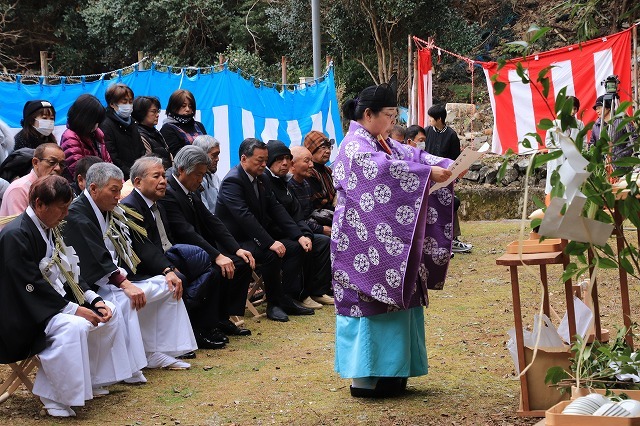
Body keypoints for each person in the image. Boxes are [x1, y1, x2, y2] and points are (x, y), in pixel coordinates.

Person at [333, 78, 454, 398]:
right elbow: (385, 171)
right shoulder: (355, 146)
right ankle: (366, 377)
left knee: (401, 293)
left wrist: (445, 165)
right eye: (390, 115)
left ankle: (395, 372)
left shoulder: (380, 140)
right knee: (368, 302)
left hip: (382, 234)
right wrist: (429, 175)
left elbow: (410, 156)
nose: (393, 122)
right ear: (369, 114)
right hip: (360, 239)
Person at [0, 175, 134, 417]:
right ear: (40, 204)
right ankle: (54, 396)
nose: (66, 214)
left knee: (108, 311)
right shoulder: (16, 235)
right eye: (62, 208)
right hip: (20, 314)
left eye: (68, 207)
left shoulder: (50, 228)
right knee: (75, 326)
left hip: (48, 304)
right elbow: (29, 285)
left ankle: (93, 379)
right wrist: (73, 309)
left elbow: (70, 269)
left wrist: (93, 299)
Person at [63, 162, 197, 374]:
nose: (118, 196)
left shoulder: (113, 210)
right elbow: (96, 255)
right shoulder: (78, 214)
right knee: (128, 299)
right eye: (113, 191)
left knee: (169, 285)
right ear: (94, 189)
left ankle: (156, 350)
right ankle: (133, 363)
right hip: (93, 285)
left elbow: (141, 243)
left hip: (118, 277)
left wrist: (167, 270)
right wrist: (124, 284)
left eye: (119, 190)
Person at [123, 155, 246, 348]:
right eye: (157, 176)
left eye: (164, 175)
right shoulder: (131, 207)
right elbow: (144, 248)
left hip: (168, 256)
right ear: (137, 182)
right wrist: (168, 269)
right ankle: (196, 330)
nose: (163, 181)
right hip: (148, 266)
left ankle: (208, 326)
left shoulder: (157, 203)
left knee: (214, 270)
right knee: (189, 276)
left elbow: (173, 237)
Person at [159, 146, 255, 337]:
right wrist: (217, 256)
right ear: (181, 170)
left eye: (203, 174)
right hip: (181, 253)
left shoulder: (190, 189)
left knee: (241, 263)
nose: (200, 179)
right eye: (197, 174)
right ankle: (205, 326)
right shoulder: (170, 192)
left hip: (199, 249)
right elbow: (186, 232)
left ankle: (223, 316)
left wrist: (236, 249)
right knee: (217, 270)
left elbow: (212, 221)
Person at [216, 138, 314, 322]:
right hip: (235, 241)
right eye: (259, 160)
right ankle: (274, 305)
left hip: (254, 239)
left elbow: (276, 209)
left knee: (295, 247)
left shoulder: (261, 178)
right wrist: (270, 242)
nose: (263, 164)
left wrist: (299, 235)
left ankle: (286, 298)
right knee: (271, 253)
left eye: (265, 160)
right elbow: (245, 218)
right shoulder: (232, 181)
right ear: (244, 159)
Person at [265, 140, 333, 309]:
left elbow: (300, 214)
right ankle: (297, 295)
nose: (311, 165)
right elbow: (281, 216)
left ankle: (317, 290)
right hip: (278, 233)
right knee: (301, 245)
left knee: (319, 241)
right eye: (306, 161)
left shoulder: (302, 184)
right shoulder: (279, 183)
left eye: (286, 159)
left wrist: (306, 233)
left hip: (297, 228)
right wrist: (305, 233)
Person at [424, 104, 471, 253]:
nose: (429, 120)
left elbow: (455, 159)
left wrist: (454, 177)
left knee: (451, 203)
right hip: (429, 175)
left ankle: (453, 238)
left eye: (431, 118)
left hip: (446, 176)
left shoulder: (451, 135)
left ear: (439, 119)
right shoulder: (426, 132)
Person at [0, 143, 65, 219]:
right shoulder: (20, 189)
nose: (58, 168)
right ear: (35, 162)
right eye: (52, 162)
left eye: (62, 164)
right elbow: (21, 227)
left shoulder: (55, 187)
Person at [60, 94, 112, 182]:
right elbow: (79, 172)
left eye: (98, 122)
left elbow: (108, 162)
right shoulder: (70, 138)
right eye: (95, 121)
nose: (97, 125)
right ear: (85, 119)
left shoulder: (97, 135)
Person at [100, 83, 145, 179]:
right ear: (112, 104)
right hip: (121, 178)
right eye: (124, 102)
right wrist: (130, 173)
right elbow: (112, 156)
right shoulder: (106, 125)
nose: (128, 105)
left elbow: (141, 149)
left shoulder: (132, 123)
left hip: (138, 174)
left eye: (130, 102)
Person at [545, 96, 585, 201]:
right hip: (558, 161)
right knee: (556, 192)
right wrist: (564, 146)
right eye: (570, 108)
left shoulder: (580, 125)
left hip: (573, 162)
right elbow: (548, 142)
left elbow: (584, 143)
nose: (573, 111)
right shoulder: (554, 124)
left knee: (571, 192)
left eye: (575, 108)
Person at [288, 145, 331, 237]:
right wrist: (321, 229)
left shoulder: (306, 184)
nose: (311, 165)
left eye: (311, 160)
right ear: (292, 164)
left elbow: (310, 213)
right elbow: (295, 220)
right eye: (307, 161)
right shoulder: (287, 187)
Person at [588, 94, 637, 173]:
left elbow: (634, 138)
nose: (597, 111)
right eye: (596, 109)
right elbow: (592, 144)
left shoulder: (622, 121)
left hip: (622, 166)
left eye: (600, 108)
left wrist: (622, 155)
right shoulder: (596, 126)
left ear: (608, 107)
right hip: (604, 168)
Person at [160, 89, 206, 156]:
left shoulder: (199, 125)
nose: (187, 109)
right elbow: (175, 154)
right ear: (174, 107)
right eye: (183, 106)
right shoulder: (168, 128)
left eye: (190, 106)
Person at [132, 96, 173, 169]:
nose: (157, 115)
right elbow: (148, 163)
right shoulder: (139, 134)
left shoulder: (156, 132)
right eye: (153, 111)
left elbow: (169, 154)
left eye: (158, 111)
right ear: (141, 113)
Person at [302, 130, 336, 210]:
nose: (328, 151)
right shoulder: (309, 172)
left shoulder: (328, 171)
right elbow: (319, 203)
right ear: (311, 150)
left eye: (329, 147)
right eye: (323, 147)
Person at [192, 135, 221, 214]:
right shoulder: (196, 181)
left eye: (218, 155)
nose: (217, 159)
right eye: (214, 155)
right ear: (201, 155)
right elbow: (206, 215)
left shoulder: (214, 176)